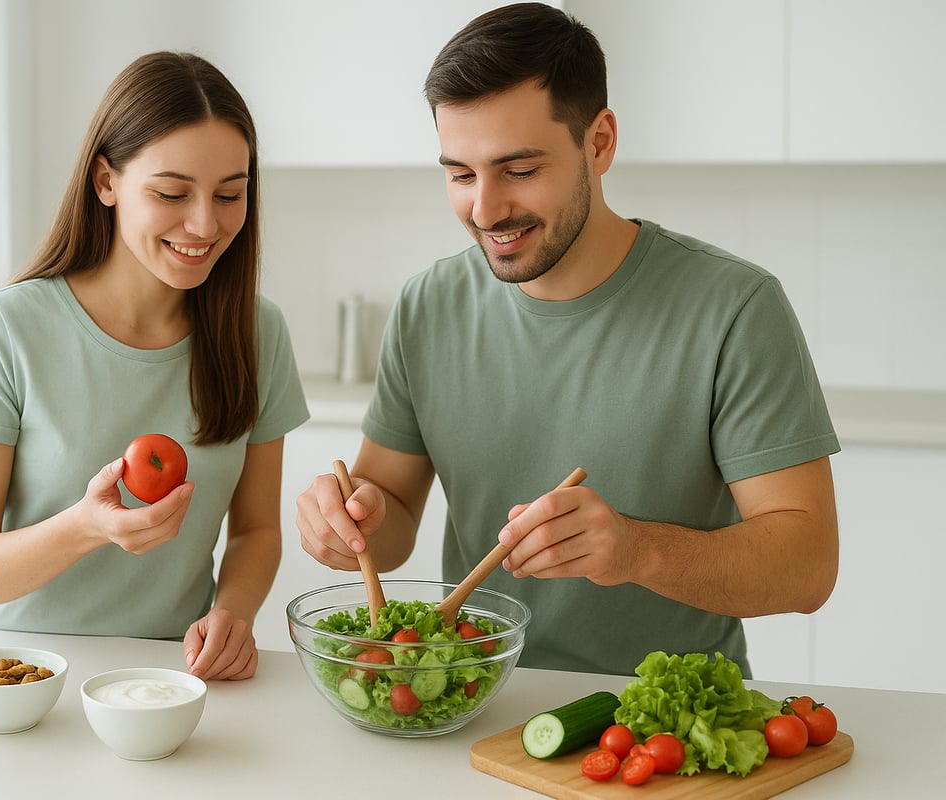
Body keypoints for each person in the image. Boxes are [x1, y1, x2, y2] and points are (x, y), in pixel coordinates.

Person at [295, 3, 839, 678]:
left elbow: (808, 566)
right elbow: (395, 507)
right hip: (472, 700)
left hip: (656, 727)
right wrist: (356, 525)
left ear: (600, 142)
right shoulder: (427, 305)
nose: (486, 210)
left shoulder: (733, 307)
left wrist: (638, 551)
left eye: (519, 170)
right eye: (461, 174)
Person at [0, 52, 308, 681]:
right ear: (106, 181)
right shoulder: (8, 329)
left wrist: (233, 613)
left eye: (230, 194)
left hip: (169, 682)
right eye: (171, 192)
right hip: (20, 679)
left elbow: (257, 530)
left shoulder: (256, 335)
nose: (204, 223)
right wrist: (85, 527)